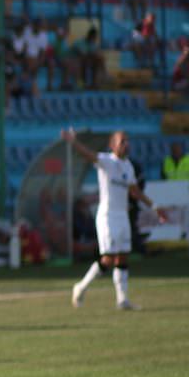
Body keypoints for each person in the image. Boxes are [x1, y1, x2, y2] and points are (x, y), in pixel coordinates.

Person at [62, 129, 166, 310]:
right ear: (113, 145)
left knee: (123, 256)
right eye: (122, 141)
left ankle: (122, 300)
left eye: (127, 141)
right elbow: (88, 155)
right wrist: (73, 142)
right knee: (108, 258)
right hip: (107, 216)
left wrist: (155, 207)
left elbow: (135, 192)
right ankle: (81, 287)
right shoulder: (106, 161)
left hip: (122, 215)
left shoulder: (128, 167)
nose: (126, 144)